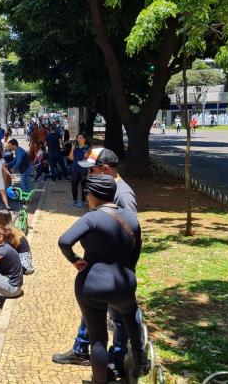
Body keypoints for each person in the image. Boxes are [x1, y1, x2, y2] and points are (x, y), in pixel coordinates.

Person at [53, 148, 138, 374]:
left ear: (105, 169)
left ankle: (116, 361)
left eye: (92, 170)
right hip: (105, 275)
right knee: (95, 317)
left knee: (118, 320)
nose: (89, 175)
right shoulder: (105, 192)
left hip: (111, 274)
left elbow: (129, 236)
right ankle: (83, 348)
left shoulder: (123, 195)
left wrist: (123, 269)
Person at [68, 134, 90, 207]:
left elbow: (91, 159)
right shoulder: (75, 147)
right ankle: (75, 200)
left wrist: (87, 156)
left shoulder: (87, 148)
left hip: (83, 169)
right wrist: (72, 148)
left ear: (84, 139)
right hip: (75, 169)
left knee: (83, 185)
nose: (78, 139)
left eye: (80, 138)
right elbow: (71, 158)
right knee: (74, 184)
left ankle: (83, 201)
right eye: (77, 138)